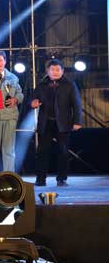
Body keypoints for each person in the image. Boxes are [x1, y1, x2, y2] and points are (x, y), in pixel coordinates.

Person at [31, 59, 82, 187]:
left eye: (58, 70)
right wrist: (32, 103)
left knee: (63, 152)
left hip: (63, 123)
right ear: (47, 71)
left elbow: (76, 104)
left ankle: (62, 179)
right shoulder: (42, 84)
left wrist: (77, 121)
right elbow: (32, 99)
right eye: (52, 70)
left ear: (62, 71)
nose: (55, 72)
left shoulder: (69, 84)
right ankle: (40, 179)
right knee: (42, 152)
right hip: (45, 122)